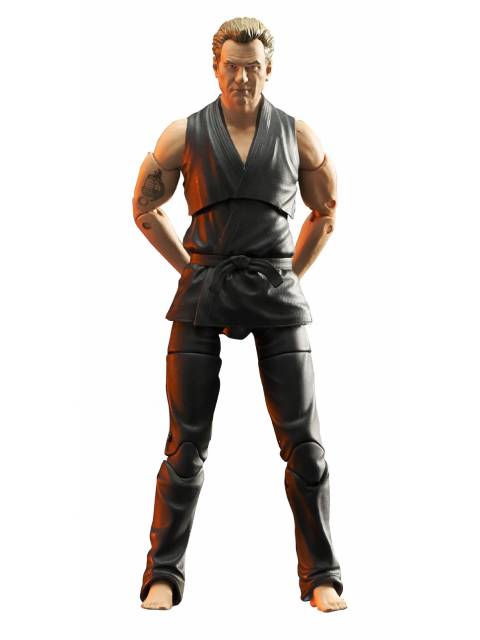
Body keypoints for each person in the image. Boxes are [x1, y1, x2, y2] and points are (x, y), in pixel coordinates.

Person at [132, 16, 346, 613]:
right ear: (216, 68)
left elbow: (326, 213)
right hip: (204, 288)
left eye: (253, 67)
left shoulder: (299, 136)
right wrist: (191, 270)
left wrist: (288, 275)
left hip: (276, 290)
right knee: (184, 447)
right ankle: (162, 574)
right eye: (232, 66)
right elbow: (145, 209)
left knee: (306, 448)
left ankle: (322, 577)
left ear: (268, 69)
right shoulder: (182, 134)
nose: (243, 78)